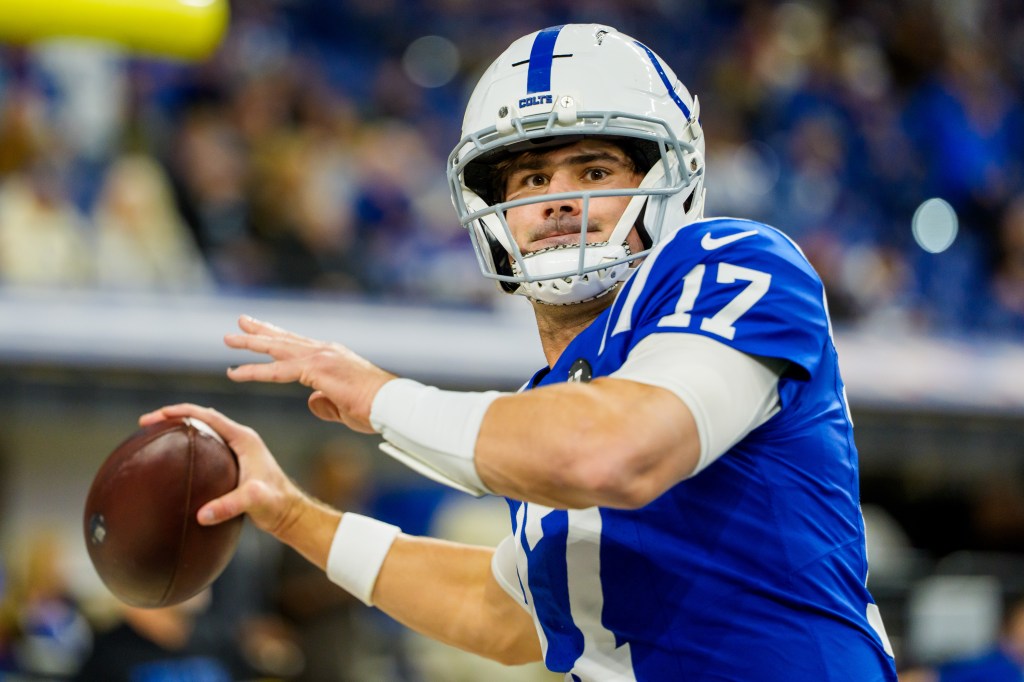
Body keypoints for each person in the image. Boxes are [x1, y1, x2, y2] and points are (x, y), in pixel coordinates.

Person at [140, 24, 898, 680]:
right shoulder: (544, 408)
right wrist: (292, 515)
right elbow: (501, 610)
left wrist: (379, 399)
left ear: (670, 178)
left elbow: (610, 452)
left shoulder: (735, 261)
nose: (556, 199)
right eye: (532, 177)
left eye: (594, 170)